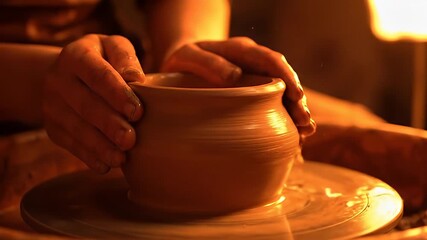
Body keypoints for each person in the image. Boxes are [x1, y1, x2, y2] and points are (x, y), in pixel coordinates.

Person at [0, 0, 315, 173]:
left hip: (120, 81)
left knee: (359, 131)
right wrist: (35, 82)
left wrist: (187, 51)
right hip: (33, 92)